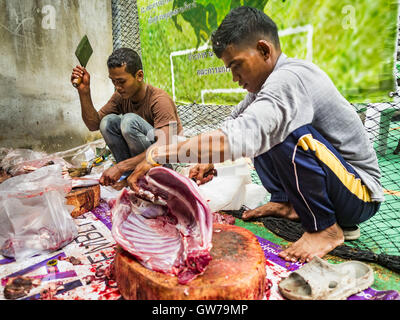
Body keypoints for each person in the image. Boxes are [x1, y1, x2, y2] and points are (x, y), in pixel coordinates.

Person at [127, 6, 384, 263]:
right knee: (261, 126)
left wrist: (158, 154)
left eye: (236, 65)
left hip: (359, 194)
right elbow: (232, 123)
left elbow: (241, 135)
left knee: (279, 131)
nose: (234, 78)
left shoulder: (289, 79)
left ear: (264, 50)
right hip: (339, 188)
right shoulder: (263, 88)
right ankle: (286, 202)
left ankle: (325, 228)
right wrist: (209, 159)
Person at [71, 47, 183, 187]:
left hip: (167, 163)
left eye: (121, 81)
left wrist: (120, 166)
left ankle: (142, 176)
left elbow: (165, 147)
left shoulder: (159, 100)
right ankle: (130, 177)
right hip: (140, 164)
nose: (117, 87)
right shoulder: (120, 97)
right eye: (113, 81)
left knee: (129, 121)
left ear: (139, 76)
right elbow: (94, 124)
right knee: (107, 122)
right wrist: (84, 92)